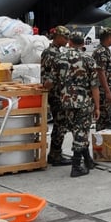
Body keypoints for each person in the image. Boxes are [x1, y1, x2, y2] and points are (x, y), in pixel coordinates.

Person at [54, 31, 100, 178]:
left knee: (77, 131)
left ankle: (88, 160)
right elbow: (94, 86)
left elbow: (52, 81)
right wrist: (97, 106)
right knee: (82, 131)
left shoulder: (59, 58)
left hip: (66, 101)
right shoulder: (88, 59)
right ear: (83, 43)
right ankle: (76, 167)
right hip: (83, 102)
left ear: (70, 43)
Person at [41, 26, 72, 166]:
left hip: (57, 93)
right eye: (65, 37)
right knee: (60, 125)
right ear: (57, 36)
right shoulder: (52, 53)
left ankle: (55, 153)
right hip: (56, 94)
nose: (67, 40)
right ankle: (55, 155)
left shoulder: (54, 52)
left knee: (61, 124)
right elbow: (52, 77)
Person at [93, 28, 111, 131]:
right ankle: (101, 144)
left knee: (109, 117)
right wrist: (107, 92)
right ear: (108, 37)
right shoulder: (101, 52)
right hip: (103, 92)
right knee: (104, 119)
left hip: (107, 91)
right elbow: (100, 72)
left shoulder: (105, 50)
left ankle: (106, 143)